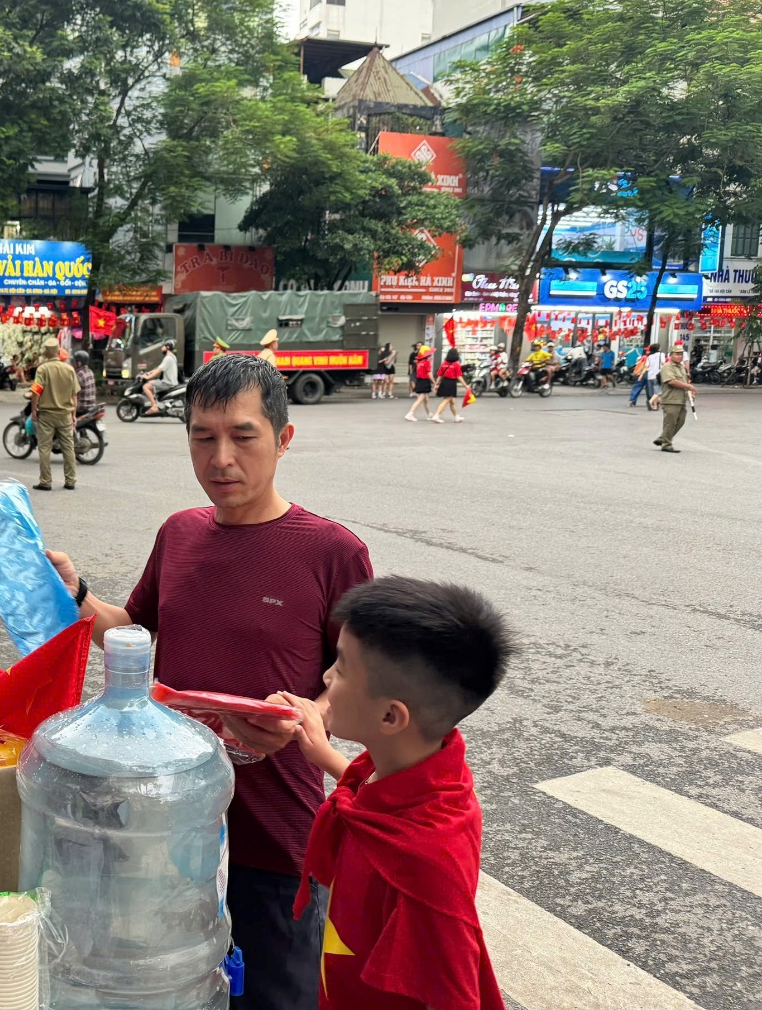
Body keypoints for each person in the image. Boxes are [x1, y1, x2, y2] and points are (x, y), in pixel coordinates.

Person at [45, 354, 373, 1008]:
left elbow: (358, 684)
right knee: (170, 990)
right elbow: (130, 630)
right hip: (165, 825)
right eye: (203, 437)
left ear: (283, 438)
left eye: (242, 436)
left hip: (275, 838)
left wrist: (305, 720)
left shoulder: (331, 552)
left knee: (273, 997)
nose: (221, 458)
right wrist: (76, 593)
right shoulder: (180, 534)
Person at [276, 577, 514, 1010]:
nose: (327, 676)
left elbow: (453, 993)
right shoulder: (430, 773)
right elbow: (381, 807)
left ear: (390, 717)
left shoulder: (427, 869)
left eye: (341, 668)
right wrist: (325, 756)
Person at [30, 338, 78, 491]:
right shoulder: (69, 369)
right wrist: (74, 414)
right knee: (68, 447)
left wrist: (34, 409)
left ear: (45, 353)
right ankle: (70, 481)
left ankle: (45, 481)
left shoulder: (42, 369)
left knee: (44, 448)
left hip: (46, 415)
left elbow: (36, 391)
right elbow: (74, 394)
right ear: (58, 351)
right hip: (65, 415)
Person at [656, 343, 696, 453]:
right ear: (671, 355)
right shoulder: (667, 367)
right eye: (677, 354)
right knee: (670, 422)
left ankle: (663, 438)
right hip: (671, 399)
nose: (679, 356)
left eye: (681, 354)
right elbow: (671, 381)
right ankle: (666, 444)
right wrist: (688, 386)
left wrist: (690, 393)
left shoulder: (682, 367)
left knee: (681, 421)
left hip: (681, 399)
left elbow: (685, 382)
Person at [141, 339, 179, 415]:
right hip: (172, 381)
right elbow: (158, 368)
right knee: (151, 382)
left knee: (146, 386)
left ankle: (154, 406)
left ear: (167, 347)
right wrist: (149, 373)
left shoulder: (168, 358)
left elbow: (159, 371)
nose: (161, 348)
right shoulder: (172, 357)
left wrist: (147, 377)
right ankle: (156, 401)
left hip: (167, 383)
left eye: (163, 346)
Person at [432, 347, 466, 423]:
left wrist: (436, 384)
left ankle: (456, 417)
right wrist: (465, 385)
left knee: (452, 401)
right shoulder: (456, 365)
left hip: (444, 382)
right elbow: (459, 376)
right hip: (451, 383)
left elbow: (439, 375)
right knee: (446, 400)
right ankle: (436, 415)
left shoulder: (444, 364)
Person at [405, 345, 434, 422]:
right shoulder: (427, 362)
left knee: (426, 399)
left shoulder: (419, 362)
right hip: (425, 381)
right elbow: (429, 373)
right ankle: (410, 413)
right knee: (421, 398)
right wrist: (434, 382)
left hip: (419, 380)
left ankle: (429, 414)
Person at [73, 348, 97, 415]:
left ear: (79, 363)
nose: (73, 363)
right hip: (91, 405)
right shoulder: (90, 372)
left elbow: (72, 391)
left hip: (82, 407)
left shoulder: (79, 375)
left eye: (74, 361)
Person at [643, 343, 665, 410]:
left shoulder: (649, 357)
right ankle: (650, 402)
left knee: (654, 392)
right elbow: (663, 363)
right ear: (658, 348)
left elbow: (646, 366)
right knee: (659, 391)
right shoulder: (661, 354)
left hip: (650, 375)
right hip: (658, 375)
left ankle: (655, 406)